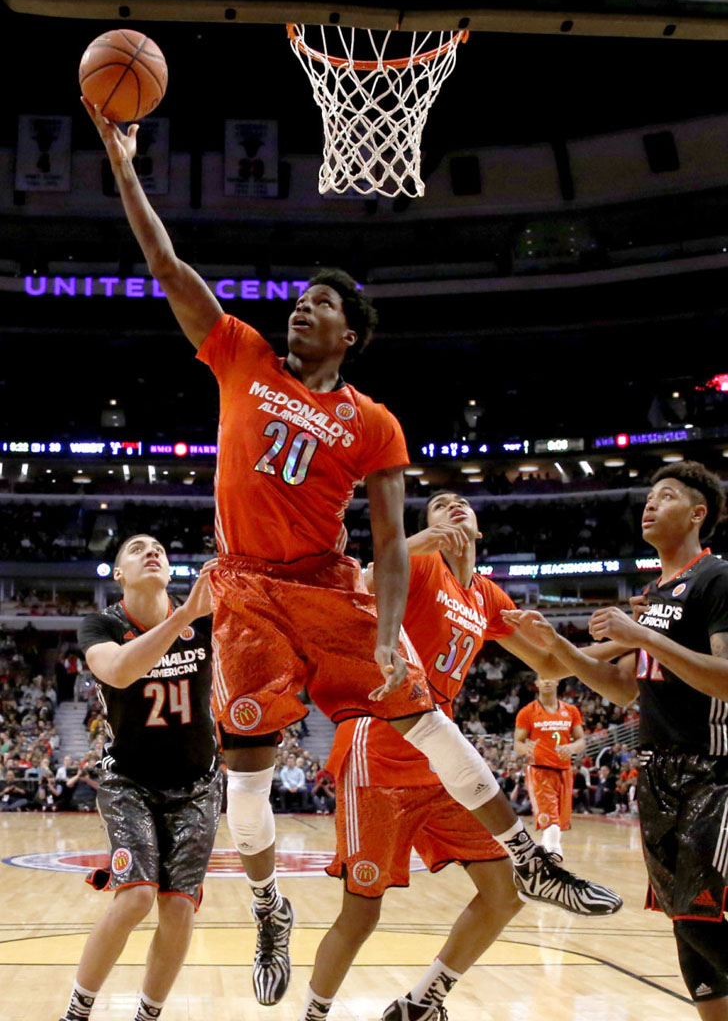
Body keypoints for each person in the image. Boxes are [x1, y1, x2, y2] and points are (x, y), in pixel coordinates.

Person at [84, 101, 620, 1009]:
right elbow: (166, 264)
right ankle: (267, 906)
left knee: (422, 711)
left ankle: (528, 855)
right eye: (300, 299)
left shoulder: (372, 421)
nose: (301, 307)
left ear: (351, 335)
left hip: (326, 583)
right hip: (246, 591)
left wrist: (380, 634)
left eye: (321, 304)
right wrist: (122, 163)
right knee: (246, 790)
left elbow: (384, 539)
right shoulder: (241, 353)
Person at [298, 491, 622, 1021]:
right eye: (439, 504)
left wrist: (638, 642)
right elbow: (353, 585)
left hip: (440, 761)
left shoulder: (487, 596)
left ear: (479, 527)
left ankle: (424, 1000)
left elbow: (551, 663)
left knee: (505, 893)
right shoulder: (420, 564)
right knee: (361, 914)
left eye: (462, 502)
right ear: (427, 526)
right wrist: (414, 544)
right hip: (377, 750)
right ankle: (313, 1016)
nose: (453, 505)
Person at [503, 461, 728, 1020]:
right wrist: (563, 647)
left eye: (667, 495)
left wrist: (643, 632)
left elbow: (726, 677)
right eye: (648, 495)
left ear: (698, 514)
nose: (651, 504)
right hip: (656, 774)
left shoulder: (716, 578)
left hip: (711, 769)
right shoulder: (655, 591)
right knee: (686, 930)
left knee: (701, 916)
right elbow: (629, 689)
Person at [58, 536, 222, 1021]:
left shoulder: (205, 616)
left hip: (197, 784)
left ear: (171, 571)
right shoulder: (102, 624)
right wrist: (184, 617)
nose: (151, 552)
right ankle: (77, 1011)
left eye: (159, 549)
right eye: (137, 549)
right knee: (136, 897)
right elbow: (121, 672)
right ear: (118, 574)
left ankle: (148, 1015)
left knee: (177, 910)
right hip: (129, 780)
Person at [513, 675, 586, 858]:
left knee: (559, 822)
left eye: (549, 678)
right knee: (550, 820)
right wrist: (525, 749)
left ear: (557, 681)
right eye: (542, 678)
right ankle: (554, 858)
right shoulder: (527, 712)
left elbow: (581, 740)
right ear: (536, 684)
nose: (546, 681)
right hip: (539, 769)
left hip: (564, 770)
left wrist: (571, 748)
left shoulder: (571, 710)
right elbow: (517, 744)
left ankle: (544, 854)